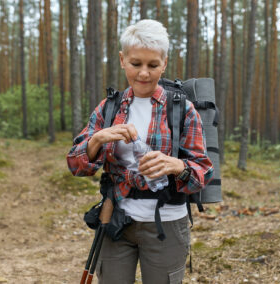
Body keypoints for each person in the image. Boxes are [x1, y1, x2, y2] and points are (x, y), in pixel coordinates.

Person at [67, 19, 213, 284]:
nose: (144, 73)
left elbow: (203, 172)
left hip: (167, 224)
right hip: (115, 220)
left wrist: (175, 165)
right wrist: (97, 139)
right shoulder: (109, 108)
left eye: (153, 65)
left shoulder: (181, 109)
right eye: (136, 64)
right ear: (123, 60)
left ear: (164, 63)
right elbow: (77, 166)